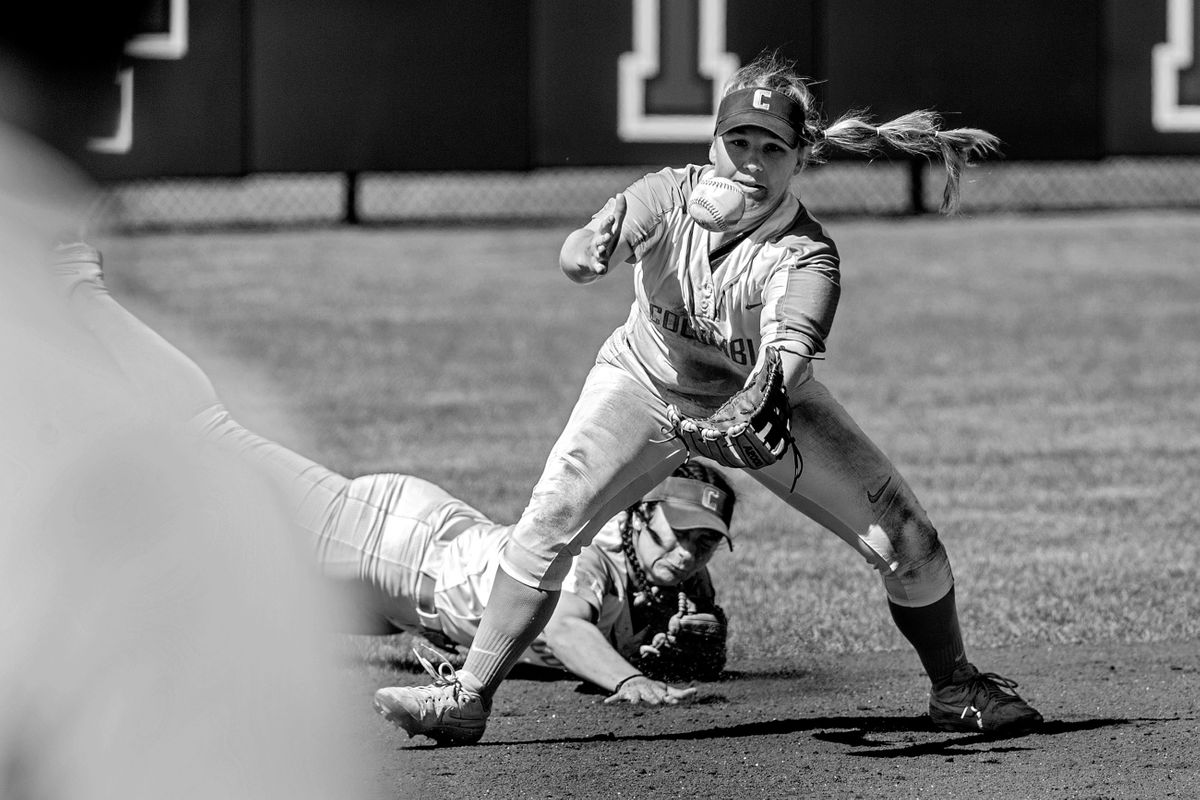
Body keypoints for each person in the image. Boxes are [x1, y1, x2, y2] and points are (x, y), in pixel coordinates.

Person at [378, 52, 1044, 745]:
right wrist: (583, 254)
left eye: (772, 149)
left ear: (800, 159)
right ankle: (465, 697)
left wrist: (761, 400)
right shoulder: (667, 196)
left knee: (909, 540)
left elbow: (788, 359)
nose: (751, 163)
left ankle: (956, 688)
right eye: (738, 142)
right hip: (643, 380)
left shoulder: (805, 253)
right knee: (547, 525)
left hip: (762, 400)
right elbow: (585, 247)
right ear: (713, 144)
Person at [50, 243, 738, 723]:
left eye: (705, 542)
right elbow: (563, 628)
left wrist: (674, 642)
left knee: (252, 588)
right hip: (392, 544)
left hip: (409, 567)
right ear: (637, 516)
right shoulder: (590, 558)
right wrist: (629, 676)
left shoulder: (654, 584)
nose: (688, 552)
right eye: (679, 532)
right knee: (209, 434)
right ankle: (81, 288)